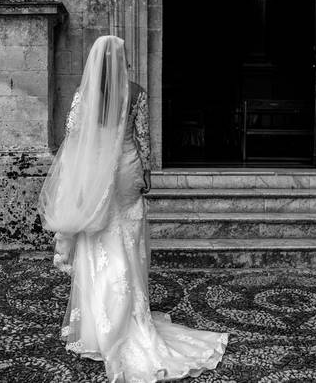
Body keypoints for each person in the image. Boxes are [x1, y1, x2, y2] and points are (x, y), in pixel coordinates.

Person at [39, 35, 228, 382]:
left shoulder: (87, 93)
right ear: (120, 58)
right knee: (127, 241)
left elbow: (73, 134)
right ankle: (130, 316)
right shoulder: (136, 91)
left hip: (96, 174)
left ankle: (99, 324)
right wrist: (147, 172)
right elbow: (142, 137)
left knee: (97, 243)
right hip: (126, 171)